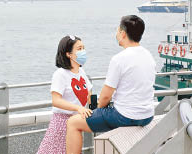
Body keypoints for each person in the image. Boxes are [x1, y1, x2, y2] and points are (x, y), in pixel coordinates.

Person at [66, 15, 156, 154]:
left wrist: (98, 111)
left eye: (117, 30)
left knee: (73, 123)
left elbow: (105, 97)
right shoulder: (148, 56)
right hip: (147, 115)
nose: (116, 33)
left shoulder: (119, 59)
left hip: (125, 116)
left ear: (123, 33)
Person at [37, 35, 93, 154]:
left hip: (77, 121)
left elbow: (89, 96)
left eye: (83, 48)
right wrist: (78, 108)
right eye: (79, 49)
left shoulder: (81, 72)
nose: (83, 51)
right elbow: (56, 100)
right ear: (68, 54)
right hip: (61, 123)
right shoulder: (60, 74)